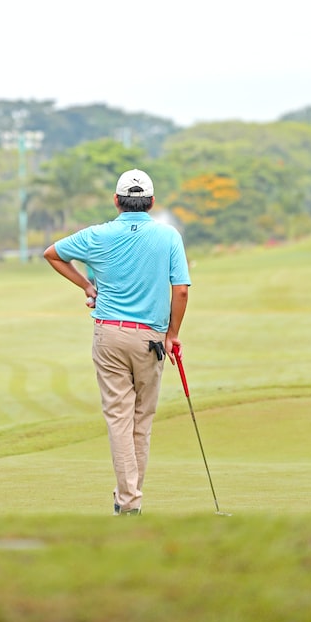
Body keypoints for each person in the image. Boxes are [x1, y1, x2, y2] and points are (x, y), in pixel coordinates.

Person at [44, 169, 190, 516]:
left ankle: (127, 500)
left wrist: (87, 286)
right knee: (141, 420)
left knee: (119, 418)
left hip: (109, 334)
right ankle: (129, 500)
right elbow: (181, 289)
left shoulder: (98, 235)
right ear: (151, 202)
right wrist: (173, 335)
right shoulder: (168, 236)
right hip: (151, 339)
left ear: (116, 200)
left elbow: (53, 253)